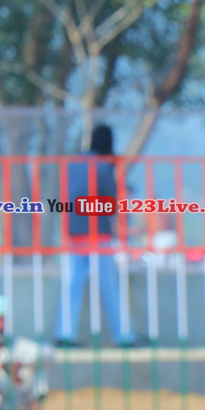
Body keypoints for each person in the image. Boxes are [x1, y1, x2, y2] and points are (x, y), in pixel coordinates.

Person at [53, 124, 135, 346]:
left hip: (74, 233)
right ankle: (124, 336)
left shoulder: (72, 164)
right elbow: (112, 201)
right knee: (109, 286)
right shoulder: (102, 166)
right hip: (98, 234)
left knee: (72, 286)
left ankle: (64, 334)